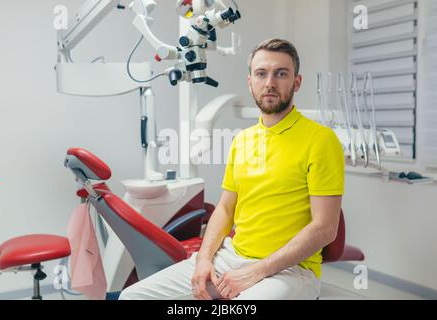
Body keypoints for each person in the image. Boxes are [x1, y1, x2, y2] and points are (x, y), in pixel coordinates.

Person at [119, 38, 344, 300]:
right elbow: (226, 209)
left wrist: (255, 272)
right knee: (132, 297)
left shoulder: (321, 140)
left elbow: (325, 228)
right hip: (232, 257)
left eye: (281, 74)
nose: (270, 82)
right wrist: (204, 258)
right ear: (250, 82)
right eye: (261, 73)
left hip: (292, 270)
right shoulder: (242, 140)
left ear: (296, 82)